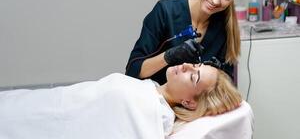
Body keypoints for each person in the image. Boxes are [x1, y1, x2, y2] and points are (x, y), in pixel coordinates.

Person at [0, 63, 241, 139]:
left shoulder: (153, 113)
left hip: (40, 122)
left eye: (194, 75)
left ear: (189, 102)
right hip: (49, 103)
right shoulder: (151, 89)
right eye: (196, 64)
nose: (187, 65)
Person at [126, 0, 248, 85]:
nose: (216, 0)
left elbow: (228, 85)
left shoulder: (225, 26)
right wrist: (169, 56)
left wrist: (218, 75)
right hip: (156, 100)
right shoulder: (166, 11)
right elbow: (133, 70)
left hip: (194, 103)